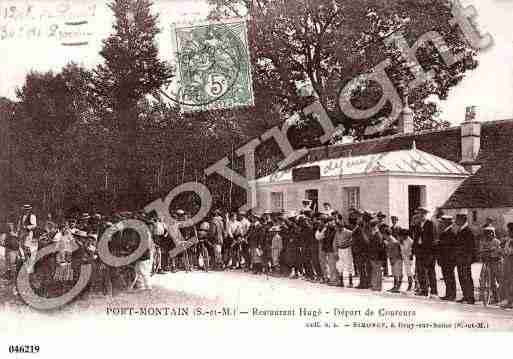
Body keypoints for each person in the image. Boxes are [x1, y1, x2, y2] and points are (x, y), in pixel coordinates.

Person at [412, 207, 438, 297]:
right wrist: (414, 250)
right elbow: (415, 239)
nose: (420, 215)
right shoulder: (417, 225)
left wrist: (432, 253)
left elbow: (433, 239)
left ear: (425, 215)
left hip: (428, 252)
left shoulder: (430, 224)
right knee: (420, 272)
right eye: (419, 214)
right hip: (420, 252)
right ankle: (424, 290)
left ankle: (434, 291)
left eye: (422, 214)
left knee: (430, 271)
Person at [454, 212, 475, 304]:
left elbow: (471, 246)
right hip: (460, 258)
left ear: (462, 220)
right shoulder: (460, 230)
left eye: (457, 219)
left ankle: (470, 297)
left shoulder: (468, 231)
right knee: (461, 277)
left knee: (466, 277)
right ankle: (465, 295)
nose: (456, 221)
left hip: (465, 258)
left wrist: (469, 258)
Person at [479, 226, 502, 304]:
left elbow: (498, 251)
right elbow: (481, 251)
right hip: (487, 263)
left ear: (493, 233)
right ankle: (495, 298)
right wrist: (488, 251)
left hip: (496, 262)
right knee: (491, 282)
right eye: (486, 233)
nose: (487, 235)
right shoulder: (483, 242)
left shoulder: (497, 241)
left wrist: (488, 251)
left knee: (499, 280)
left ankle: (502, 296)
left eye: (489, 233)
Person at [437, 215, 457, 301]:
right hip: (444, 258)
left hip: (449, 259)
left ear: (446, 223)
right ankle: (448, 294)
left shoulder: (451, 232)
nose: (441, 224)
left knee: (449, 277)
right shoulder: (444, 232)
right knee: (447, 277)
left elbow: (450, 246)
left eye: (442, 222)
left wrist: (440, 243)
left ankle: (451, 295)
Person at [17, 204, 38, 274]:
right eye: (25, 209)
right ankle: (24, 264)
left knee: (27, 248)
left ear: (30, 209)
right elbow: (19, 225)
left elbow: (34, 225)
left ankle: (30, 264)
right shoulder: (21, 216)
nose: (26, 210)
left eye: (27, 209)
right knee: (21, 248)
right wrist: (18, 231)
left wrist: (27, 227)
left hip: (28, 233)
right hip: (22, 233)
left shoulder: (32, 216)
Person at [334, 219, 354, 287]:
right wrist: (336, 251)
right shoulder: (337, 233)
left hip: (347, 250)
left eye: (336, 227)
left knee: (349, 265)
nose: (336, 228)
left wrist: (347, 243)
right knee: (340, 265)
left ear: (340, 226)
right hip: (340, 250)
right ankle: (341, 282)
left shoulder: (348, 232)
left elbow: (352, 239)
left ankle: (350, 282)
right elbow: (335, 242)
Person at [382, 225, 402, 293]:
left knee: (397, 273)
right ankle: (395, 287)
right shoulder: (389, 240)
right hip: (393, 259)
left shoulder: (393, 241)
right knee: (395, 273)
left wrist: (393, 260)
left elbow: (395, 252)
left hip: (396, 259)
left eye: (383, 234)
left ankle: (397, 287)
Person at [368, 219, 386, 291]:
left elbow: (380, 248)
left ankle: (378, 287)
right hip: (373, 256)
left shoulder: (378, 235)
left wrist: (379, 257)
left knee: (377, 272)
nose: (372, 227)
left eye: (373, 226)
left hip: (377, 257)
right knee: (375, 271)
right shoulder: (374, 234)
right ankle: (375, 285)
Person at [500, 223, 513, 308]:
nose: (508, 231)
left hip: (511, 261)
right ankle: (509, 300)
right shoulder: (508, 240)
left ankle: (511, 301)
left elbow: (509, 251)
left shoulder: (511, 241)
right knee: (507, 281)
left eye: (509, 230)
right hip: (507, 261)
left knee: (510, 281)